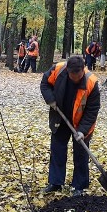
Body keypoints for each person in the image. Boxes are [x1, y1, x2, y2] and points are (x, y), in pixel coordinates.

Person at [40, 55, 101, 196]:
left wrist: (82, 131)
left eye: (78, 77)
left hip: (82, 122)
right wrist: (50, 100)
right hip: (60, 117)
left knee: (81, 154)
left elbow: (92, 110)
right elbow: (45, 84)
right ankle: (55, 183)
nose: (76, 79)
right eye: (73, 76)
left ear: (83, 70)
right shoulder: (58, 69)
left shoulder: (91, 82)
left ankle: (79, 185)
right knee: (57, 149)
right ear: (68, 70)